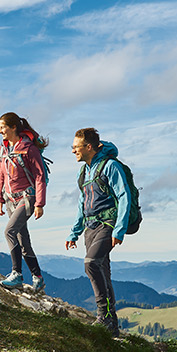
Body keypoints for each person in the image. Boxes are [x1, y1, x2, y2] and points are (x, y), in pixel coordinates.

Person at [65, 127, 133, 335]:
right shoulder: (83, 172)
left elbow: (124, 196)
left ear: (88, 147)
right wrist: (74, 232)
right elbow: (82, 203)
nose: (73, 151)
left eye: (76, 147)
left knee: (91, 263)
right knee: (102, 271)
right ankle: (111, 326)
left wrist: (119, 230)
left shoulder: (110, 166)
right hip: (90, 228)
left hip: (109, 224)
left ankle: (103, 317)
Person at [0, 112, 47, 294]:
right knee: (22, 239)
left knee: (9, 231)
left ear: (13, 127)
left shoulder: (28, 149)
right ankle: (38, 277)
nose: (0, 131)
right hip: (10, 199)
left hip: (27, 198)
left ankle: (16, 274)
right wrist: (0, 199)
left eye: (3, 127)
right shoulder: (3, 150)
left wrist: (39, 203)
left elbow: (40, 176)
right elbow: (2, 175)